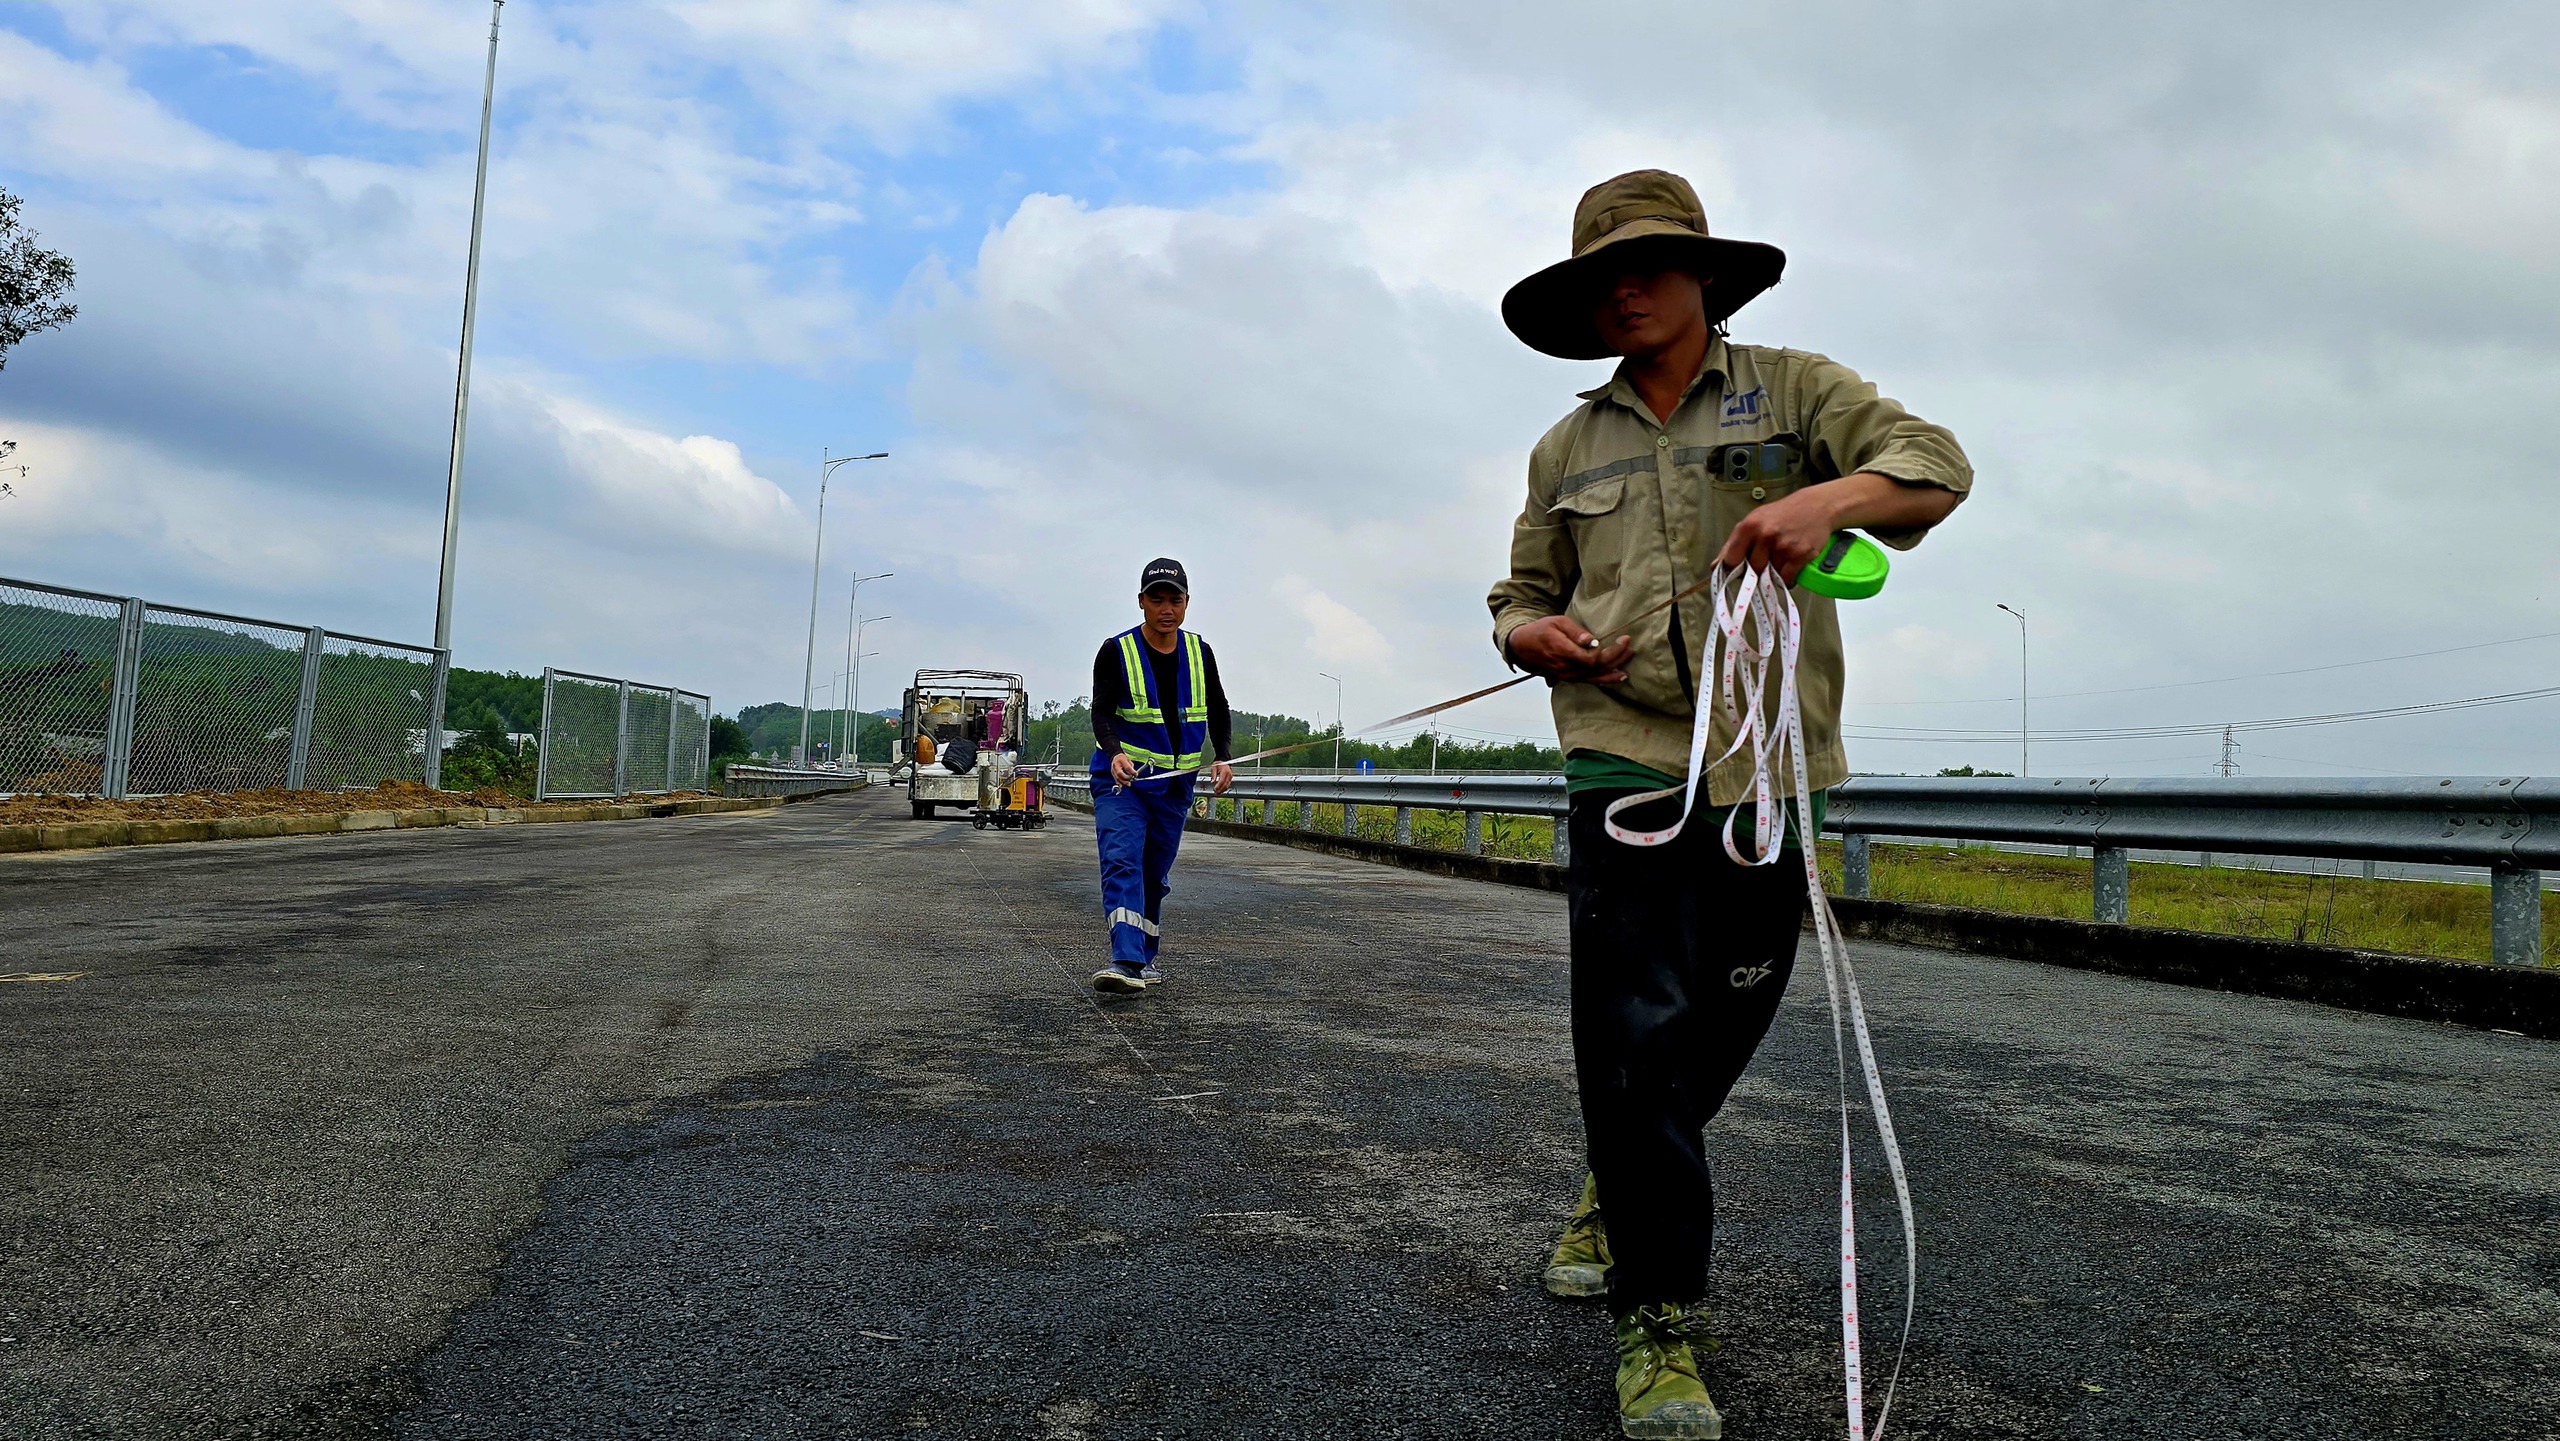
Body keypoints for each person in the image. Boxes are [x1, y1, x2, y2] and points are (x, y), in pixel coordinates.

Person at [1487, 169, 1971, 1438]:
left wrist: (1825, 498)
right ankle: (1657, 1320)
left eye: (1648, 264)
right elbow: (1518, 591)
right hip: (1623, 765)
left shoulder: (1796, 389)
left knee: (1729, 1012)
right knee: (1633, 1029)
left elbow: (1934, 469)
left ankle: (1621, 1174)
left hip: (1770, 764)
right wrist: (1534, 636)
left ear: (1704, 274)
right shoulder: (1564, 447)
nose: (1625, 289)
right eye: (1602, 275)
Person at [1087, 558, 1235, 995]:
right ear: (1141, 602)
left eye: (1175, 599)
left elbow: (1219, 709)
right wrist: (1114, 754)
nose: (1166, 608)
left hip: (1174, 787)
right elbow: (1101, 712)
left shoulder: (1199, 652)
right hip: (1124, 783)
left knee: (1154, 874)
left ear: (1187, 603)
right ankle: (1125, 961)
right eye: (1157, 599)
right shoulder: (1116, 651)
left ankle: (1144, 957)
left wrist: (1222, 756)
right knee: (1122, 862)